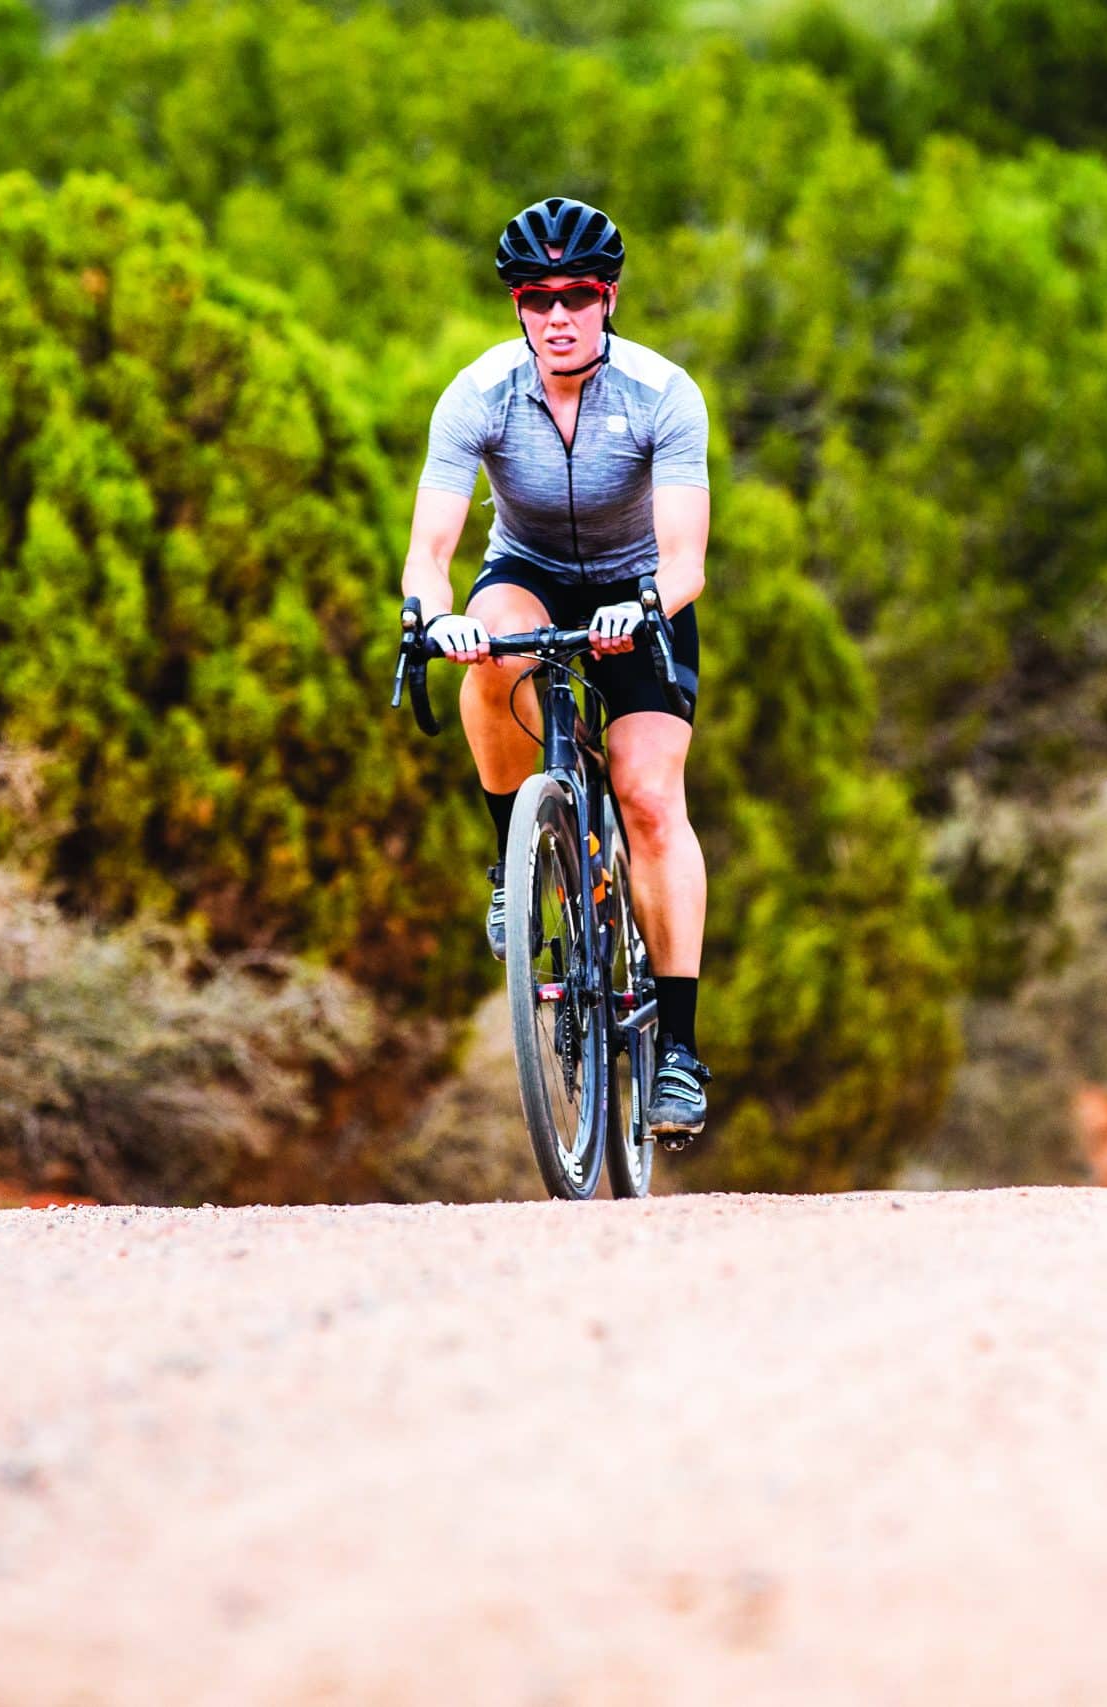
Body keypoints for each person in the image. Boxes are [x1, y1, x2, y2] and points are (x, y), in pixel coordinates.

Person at [401, 196, 712, 1142]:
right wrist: (436, 614)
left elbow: (687, 560)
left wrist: (647, 605)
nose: (558, 315)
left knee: (651, 799)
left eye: (578, 295)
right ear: (518, 308)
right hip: (528, 572)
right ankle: (514, 859)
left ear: (609, 298)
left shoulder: (663, 395)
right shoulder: (478, 395)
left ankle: (682, 1053)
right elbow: (430, 550)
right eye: (538, 298)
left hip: (640, 590)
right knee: (488, 651)